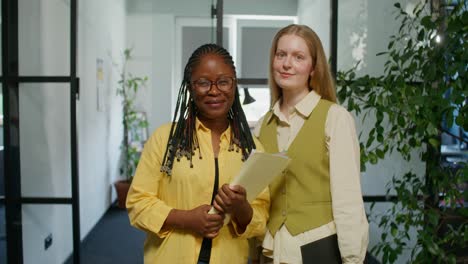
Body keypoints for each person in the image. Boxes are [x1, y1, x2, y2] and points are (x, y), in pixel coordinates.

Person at [126, 43, 269, 263]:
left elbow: (261, 217)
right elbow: (138, 204)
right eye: (203, 82)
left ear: (234, 85)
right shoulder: (165, 139)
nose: (214, 90)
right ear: (190, 87)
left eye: (223, 81)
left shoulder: (252, 148)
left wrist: (241, 209)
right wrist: (185, 219)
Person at [254, 24, 369, 263]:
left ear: (313, 68)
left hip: (319, 247)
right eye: (281, 54)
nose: (287, 64)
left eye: (298, 57)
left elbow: (348, 201)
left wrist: (353, 259)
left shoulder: (335, 118)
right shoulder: (262, 125)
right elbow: (258, 199)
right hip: (272, 251)